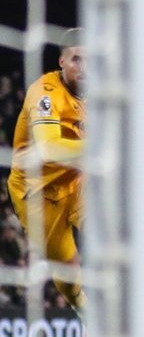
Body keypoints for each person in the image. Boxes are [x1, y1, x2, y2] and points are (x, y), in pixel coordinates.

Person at [7, 29, 87, 310]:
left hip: (78, 182)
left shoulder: (104, 94)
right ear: (62, 62)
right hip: (37, 191)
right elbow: (49, 148)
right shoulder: (44, 92)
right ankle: (85, 310)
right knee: (67, 268)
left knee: (111, 231)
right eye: (77, 59)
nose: (84, 67)